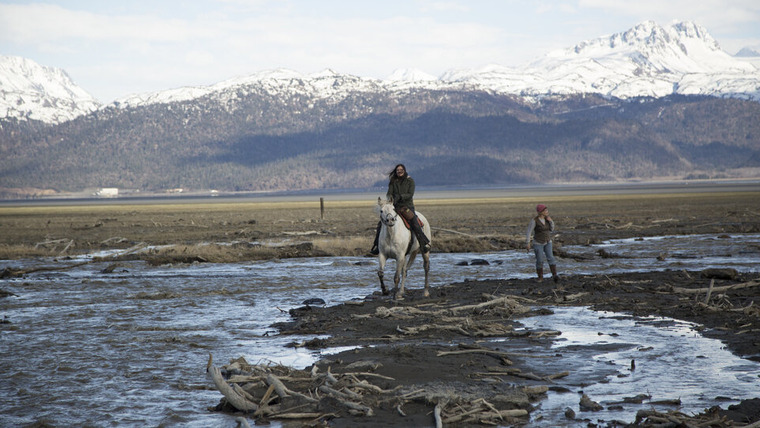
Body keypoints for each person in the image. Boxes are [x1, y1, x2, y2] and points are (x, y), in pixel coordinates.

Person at [370, 164, 431, 254]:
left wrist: (400, 196)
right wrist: (391, 197)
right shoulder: (393, 181)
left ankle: (423, 243)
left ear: (404, 170)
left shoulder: (410, 181)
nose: (399, 171)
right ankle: (377, 246)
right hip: (395, 206)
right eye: (398, 170)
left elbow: (410, 194)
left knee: (414, 221)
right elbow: (389, 193)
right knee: (380, 224)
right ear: (396, 171)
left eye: (401, 169)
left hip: (407, 206)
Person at [526, 204, 559, 283]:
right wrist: (528, 243)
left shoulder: (547, 219)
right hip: (538, 242)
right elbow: (529, 232)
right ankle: (540, 277)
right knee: (539, 260)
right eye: (545, 210)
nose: (547, 212)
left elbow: (551, 229)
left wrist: (551, 221)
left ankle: (555, 275)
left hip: (548, 241)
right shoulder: (534, 221)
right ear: (541, 212)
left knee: (551, 258)